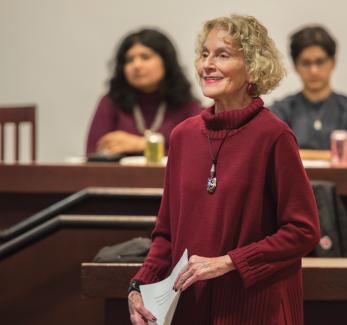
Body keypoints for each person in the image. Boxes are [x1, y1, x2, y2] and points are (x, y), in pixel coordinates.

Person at [127, 15, 320, 324]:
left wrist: (230, 262)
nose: (207, 64)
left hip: (256, 310)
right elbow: (166, 233)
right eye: (204, 54)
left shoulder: (274, 136)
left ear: (253, 67)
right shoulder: (182, 136)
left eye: (222, 55)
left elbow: (303, 231)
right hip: (193, 308)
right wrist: (139, 285)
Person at [86, 28, 201, 155]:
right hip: (120, 175)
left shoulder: (187, 105)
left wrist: (142, 144)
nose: (136, 65)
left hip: (169, 175)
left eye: (145, 57)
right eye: (129, 60)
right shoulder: (111, 102)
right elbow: (93, 153)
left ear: (166, 62)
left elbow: (195, 154)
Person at [270, 25, 347, 163]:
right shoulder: (280, 110)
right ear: (295, 66)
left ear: (333, 63)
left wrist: (298, 155)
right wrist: (337, 156)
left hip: (341, 184)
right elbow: (274, 156)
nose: (314, 70)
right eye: (306, 63)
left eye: (320, 62)